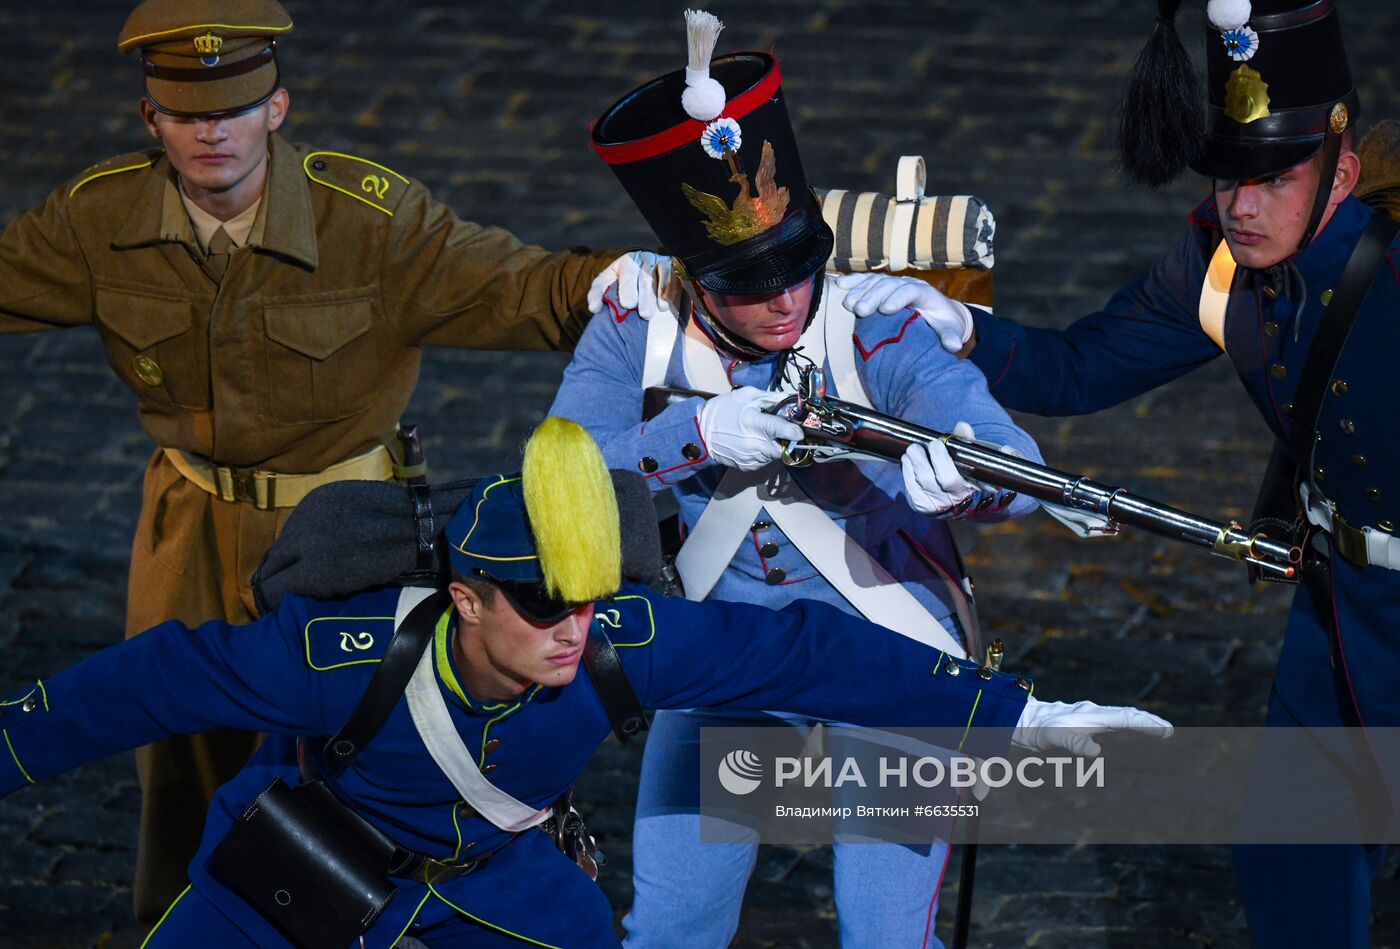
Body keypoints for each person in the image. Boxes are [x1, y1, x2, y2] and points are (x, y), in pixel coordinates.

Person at [0, 416, 1170, 947]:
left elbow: (807, 651)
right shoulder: (332, 660)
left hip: (501, 888)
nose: (573, 630)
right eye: (542, 605)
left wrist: (1019, 715)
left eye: (585, 599)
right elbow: (151, 683)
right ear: (465, 598)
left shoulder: (621, 634)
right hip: (294, 871)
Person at [0, 0, 671, 919]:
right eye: (187, 115)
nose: (212, 133)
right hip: (188, 524)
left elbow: (506, 283)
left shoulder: (368, 220)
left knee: (347, 754)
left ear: (277, 108)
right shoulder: (99, 218)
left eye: (234, 108)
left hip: (343, 531)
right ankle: (177, 931)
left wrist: (597, 281)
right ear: (150, 120)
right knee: (177, 748)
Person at [840, 1, 1398, 944]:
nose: (1243, 205)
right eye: (1229, 176)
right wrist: (967, 329)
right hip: (1340, 612)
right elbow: (1084, 362)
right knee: (1289, 849)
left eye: (1274, 177)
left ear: (1341, 172)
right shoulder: (1219, 265)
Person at [547, 14, 1052, 946]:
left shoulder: (873, 324)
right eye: (748, 280)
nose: (784, 300)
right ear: (694, 278)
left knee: (883, 932)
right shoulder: (634, 324)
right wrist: (691, 432)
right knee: (670, 922)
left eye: (796, 266)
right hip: (726, 656)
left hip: (888, 646)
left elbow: (1014, 461)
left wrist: (967, 476)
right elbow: (557, 477)